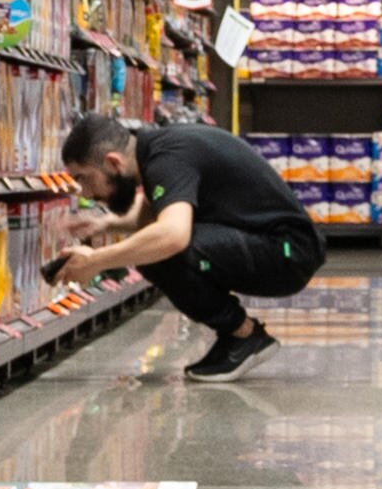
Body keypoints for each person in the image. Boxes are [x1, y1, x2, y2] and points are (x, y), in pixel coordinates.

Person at [49, 110, 324, 379]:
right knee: (151, 243)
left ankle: (244, 336)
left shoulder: (167, 158)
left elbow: (172, 234)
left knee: (158, 255)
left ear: (113, 163)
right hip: (277, 245)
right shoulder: (158, 149)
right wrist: (105, 223)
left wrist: (94, 261)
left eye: (84, 178)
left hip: (287, 251)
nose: (85, 192)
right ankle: (238, 336)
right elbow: (155, 211)